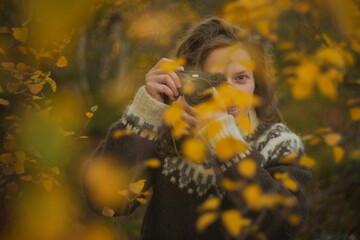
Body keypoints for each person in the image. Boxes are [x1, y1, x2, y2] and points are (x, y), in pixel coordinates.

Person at [83, 17, 311, 240]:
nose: (229, 92)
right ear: (189, 82)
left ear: (256, 84)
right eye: (215, 79)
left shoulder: (279, 144)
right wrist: (145, 112)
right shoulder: (167, 133)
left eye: (241, 77)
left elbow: (283, 228)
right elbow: (105, 201)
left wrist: (224, 140)